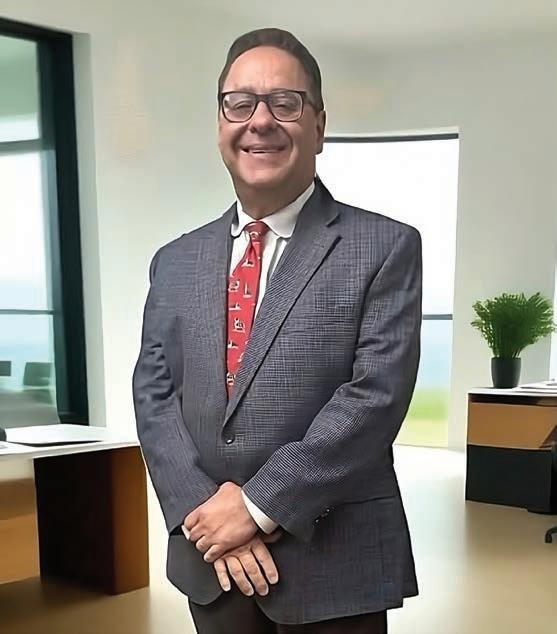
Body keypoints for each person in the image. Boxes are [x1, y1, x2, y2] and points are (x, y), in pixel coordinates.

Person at [133, 27, 422, 634]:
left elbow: (375, 398)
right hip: (211, 558)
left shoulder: (385, 246)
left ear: (319, 125)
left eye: (284, 103)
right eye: (239, 103)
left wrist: (256, 506)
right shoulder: (174, 260)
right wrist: (203, 513)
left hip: (334, 564)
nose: (259, 121)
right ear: (220, 124)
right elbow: (154, 394)